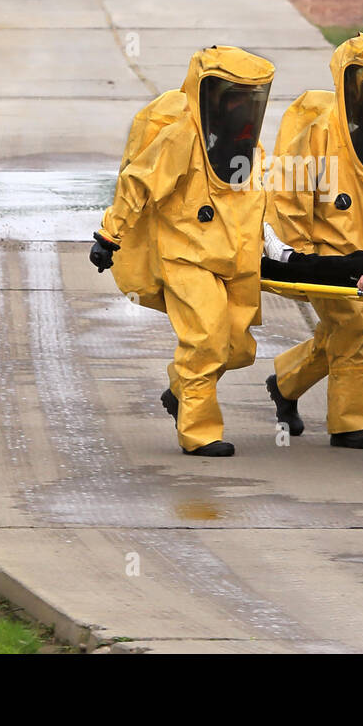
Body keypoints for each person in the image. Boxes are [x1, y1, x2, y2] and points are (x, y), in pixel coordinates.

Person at [90, 46, 274, 457]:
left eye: (249, 98)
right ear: (213, 97)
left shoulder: (248, 147)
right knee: (206, 339)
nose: (242, 107)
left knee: (236, 348)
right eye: (234, 98)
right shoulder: (183, 136)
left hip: (234, 258)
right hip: (186, 254)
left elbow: (258, 202)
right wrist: (109, 235)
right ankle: (200, 432)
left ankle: (181, 387)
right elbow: (138, 182)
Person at [265, 34, 363, 448]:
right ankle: (351, 424)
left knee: (337, 336)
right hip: (326, 257)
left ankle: (285, 382)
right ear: (352, 85)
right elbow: (288, 198)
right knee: (352, 333)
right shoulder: (319, 136)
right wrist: (298, 256)